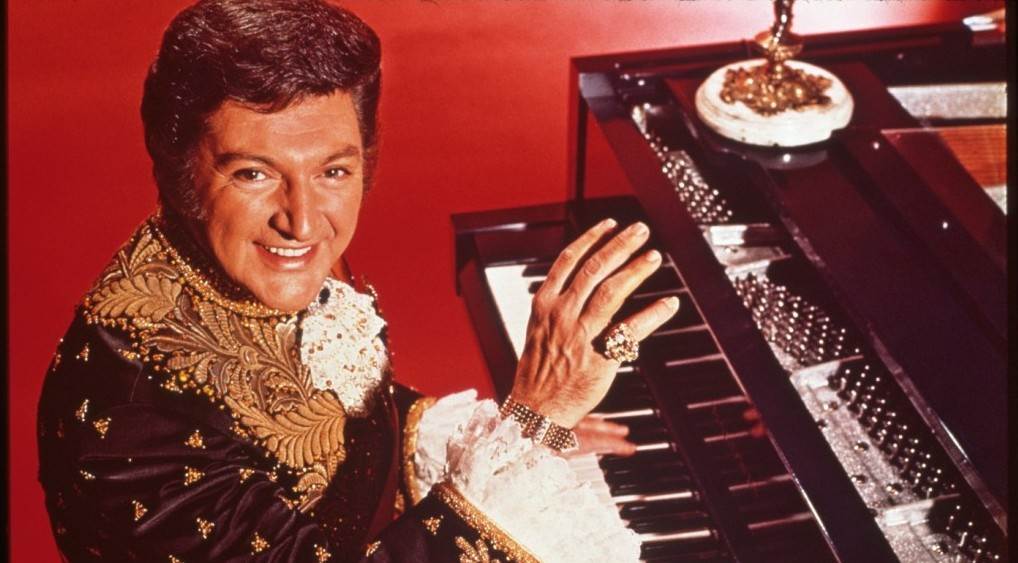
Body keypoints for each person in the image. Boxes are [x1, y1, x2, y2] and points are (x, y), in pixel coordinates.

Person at [36, 1, 679, 561]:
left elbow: (330, 418)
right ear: (181, 172)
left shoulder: (259, 259)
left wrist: (512, 439)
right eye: (254, 174)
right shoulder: (131, 418)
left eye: (333, 172)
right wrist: (533, 420)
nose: (302, 221)